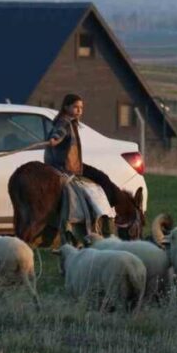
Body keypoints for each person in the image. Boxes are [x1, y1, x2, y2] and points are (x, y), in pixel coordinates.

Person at [46, 94, 115, 245]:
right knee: (101, 178)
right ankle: (101, 220)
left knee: (100, 177)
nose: (79, 110)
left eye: (81, 108)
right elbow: (58, 132)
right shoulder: (64, 122)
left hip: (72, 166)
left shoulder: (70, 122)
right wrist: (55, 139)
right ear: (66, 107)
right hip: (65, 167)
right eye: (76, 107)